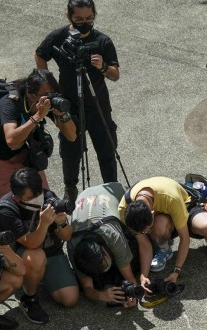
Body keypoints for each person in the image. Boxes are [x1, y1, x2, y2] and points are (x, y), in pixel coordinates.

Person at [35, 0, 121, 203]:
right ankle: (70, 189)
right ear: (69, 17)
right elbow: (40, 54)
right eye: (79, 19)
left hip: (98, 107)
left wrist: (103, 67)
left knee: (107, 150)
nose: (85, 23)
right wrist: (50, 88)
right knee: (71, 152)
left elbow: (115, 75)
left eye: (89, 19)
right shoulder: (58, 37)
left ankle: (112, 189)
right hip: (69, 107)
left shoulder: (102, 41)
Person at [0, 68, 77, 211]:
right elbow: (12, 141)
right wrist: (37, 117)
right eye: (47, 95)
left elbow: (72, 136)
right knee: (2, 205)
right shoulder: (10, 104)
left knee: (42, 198)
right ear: (31, 94)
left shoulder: (44, 103)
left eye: (54, 94)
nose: (51, 98)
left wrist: (63, 114)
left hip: (23, 153)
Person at [0, 168, 77, 324]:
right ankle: (29, 298)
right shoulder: (7, 210)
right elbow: (31, 243)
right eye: (31, 197)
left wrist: (61, 222)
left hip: (51, 252)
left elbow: (67, 236)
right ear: (16, 198)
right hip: (18, 256)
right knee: (37, 256)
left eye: (39, 194)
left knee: (70, 299)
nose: (38, 199)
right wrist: (44, 224)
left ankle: (39, 275)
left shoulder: (49, 198)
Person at [118, 176, 207, 288]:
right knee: (159, 226)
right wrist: (144, 276)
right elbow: (143, 244)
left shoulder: (171, 199)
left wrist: (176, 271)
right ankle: (164, 247)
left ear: (152, 213)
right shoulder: (124, 210)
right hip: (165, 216)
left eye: (147, 230)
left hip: (184, 205)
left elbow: (185, 238)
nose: (146, 233)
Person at [68, 182, 140, 307]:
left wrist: (133, 295)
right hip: (85, 195)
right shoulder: (73, 246)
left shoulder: (111, 235)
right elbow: (88, 289)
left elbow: (130, 277)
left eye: (104, 263)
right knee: (100, 281)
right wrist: (101, 296)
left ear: (103, 249)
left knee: (139, 234)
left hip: (117, 191)